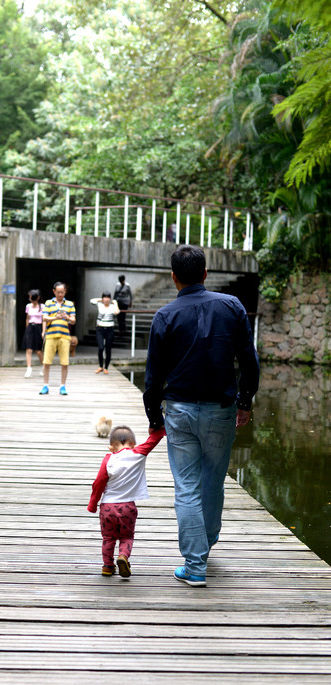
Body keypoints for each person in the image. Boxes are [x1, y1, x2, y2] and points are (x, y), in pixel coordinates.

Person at [143, 245, 259, 587]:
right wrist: (245, 401)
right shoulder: (232, 306)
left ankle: (195, 565)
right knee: (214, 480)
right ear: (205, 274)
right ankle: (204, 548)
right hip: (221, 410)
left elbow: (153, 374)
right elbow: (249, 361)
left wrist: (154, 417)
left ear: (174, 277)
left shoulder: (165, 315)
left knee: (187, 487)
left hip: (178, 410)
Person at [87, 424, 166, 578]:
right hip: (128, 507)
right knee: (126, 537)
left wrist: (92, 504)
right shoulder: (139, 453)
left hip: (107, 507)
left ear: (111, 447)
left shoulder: (108, 460)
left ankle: (107, 566)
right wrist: (157, 428)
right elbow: (155, 439)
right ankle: (123, 556)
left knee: (108, 538)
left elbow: (98, 483)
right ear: (133, 444)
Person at [40, 281, 76, 396]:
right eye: (58, 292)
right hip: (51, 335)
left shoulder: (70, 304)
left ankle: (63, 386)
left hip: (64, 336)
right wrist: (55, 317)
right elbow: (44, 317)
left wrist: (67, 317)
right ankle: (45, 385)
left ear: (65, 291)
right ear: (54, 291)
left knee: (64, 362)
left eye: (62, 292)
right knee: (46, 362)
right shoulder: (48, 303)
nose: (60, 294)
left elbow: (74, 320)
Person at [90, 292, 119, 374]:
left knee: (108, 349)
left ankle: (106, 367)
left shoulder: (112, 307)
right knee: (101, 348)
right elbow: (91, 301)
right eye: (105, 297)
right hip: (100, 329)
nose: (106, 299)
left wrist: (115, 302)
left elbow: (117, 312)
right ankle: (100, 366)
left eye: (108, 298)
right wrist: (101, 300)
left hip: (110, 329)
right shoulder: (100, 305)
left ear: (110, 299)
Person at [21, 289, 45, 378]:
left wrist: (43, 331)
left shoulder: (42, 306)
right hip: (30, 327)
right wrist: (27, 327)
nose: (31, 300)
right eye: (30, 298)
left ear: (38, 298)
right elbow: (27, 317)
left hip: (38, 328)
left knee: (38, 350)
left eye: (33, 298)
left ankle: (44, 366)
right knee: (29, 349)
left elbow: (44, 320)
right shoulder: (28, 306)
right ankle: (29, 368)